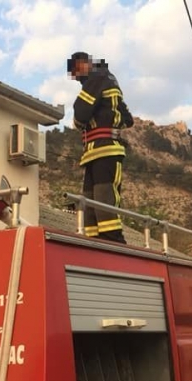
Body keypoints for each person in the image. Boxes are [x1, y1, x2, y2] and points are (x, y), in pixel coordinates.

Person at [67, 51, 134, 244]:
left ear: (83, 64)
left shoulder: (97, 77)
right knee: (90, 205)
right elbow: (127, 118)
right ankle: (96, 244)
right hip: (94, 153)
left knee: (104, 204)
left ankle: (115, 244)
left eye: (76, 70)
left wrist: (84, 121)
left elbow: (80, 113)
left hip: (105, 150)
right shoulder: (109, 81)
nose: (76, 77)